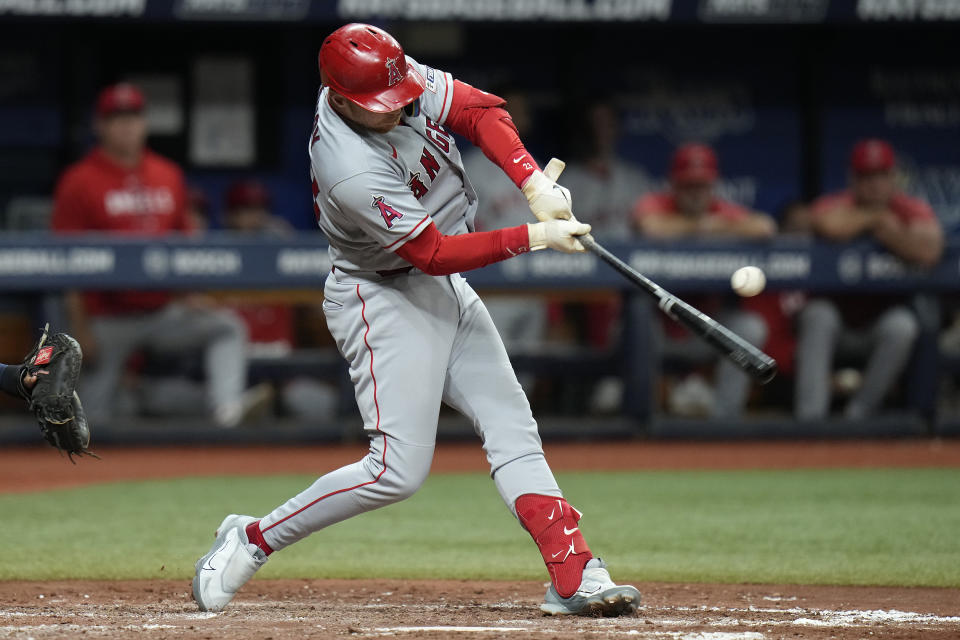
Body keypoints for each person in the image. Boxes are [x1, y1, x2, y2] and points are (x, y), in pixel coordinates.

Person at [192, 23, 640, 618]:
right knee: (396, 472)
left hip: (440, 289)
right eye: (383, 105)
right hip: (381, 298)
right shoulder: (346, 163)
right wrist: (532, 236)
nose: (399, 107)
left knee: (512, 424)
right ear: (343, 100)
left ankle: (573, 571)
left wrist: (531, 181)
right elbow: (429, 251)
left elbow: (479, 110)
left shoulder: (389, 75)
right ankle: (250, 539)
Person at [50, 83, 258, 428]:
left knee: (226, 327)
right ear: (99, 125)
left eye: (133, 117)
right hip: (107, 319)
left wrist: (190, 295)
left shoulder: (168, 175)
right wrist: (79, 328)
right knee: (89, 420)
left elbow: (185, 245)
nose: (126, 126)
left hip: (163, 312)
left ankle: (228, 412)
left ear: (144, 123)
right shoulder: (78, 181)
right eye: (116, 118)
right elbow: (66, 262)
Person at [794, 139, 944, 420]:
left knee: (902, 325)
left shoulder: (911, 208)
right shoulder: (835, 204)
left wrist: (892, 235)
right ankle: (810, 419)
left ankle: (859, 417)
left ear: (893, 177)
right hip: (836, 318)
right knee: (818, 315)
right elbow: (828, 225)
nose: (874, 184)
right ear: (852, 178)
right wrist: (877, 221)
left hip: (878, 319)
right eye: (866, 177)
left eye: (881, 176)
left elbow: (929, 251)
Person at [632, 143, 776, 418]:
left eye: (702, 185)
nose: (696, 194)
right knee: (637, 322)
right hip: (660, 330)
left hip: (707, 331)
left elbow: (764, 226)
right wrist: (704, 227)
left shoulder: (721, 210)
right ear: (674, 184)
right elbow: (649, 226)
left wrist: (710, 225)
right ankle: (644, 422)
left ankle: (724, 423)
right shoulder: (657, 205)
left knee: (749, 326)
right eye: (688, 186)